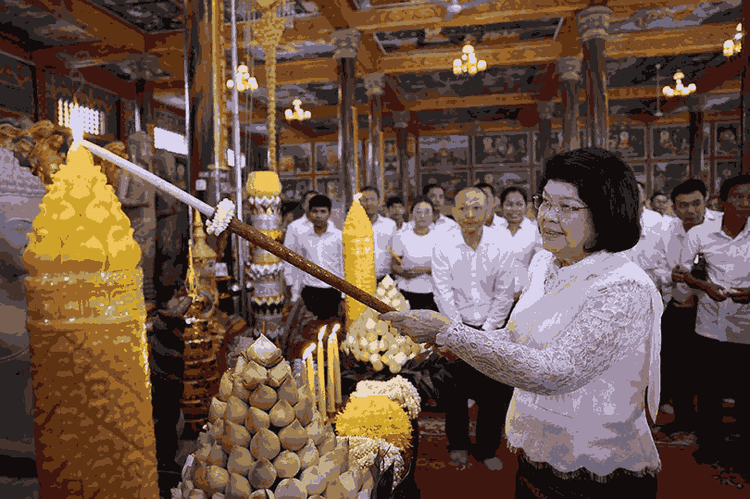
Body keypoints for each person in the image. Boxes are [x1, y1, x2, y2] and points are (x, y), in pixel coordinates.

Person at [383, 148, 663, 498]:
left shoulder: (622, 286)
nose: (547, 217)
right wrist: (457, 341)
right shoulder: (547, 265)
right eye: (545, 202)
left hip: (593, 471)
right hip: (539, 451)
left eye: (567, 207)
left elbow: (558, 370)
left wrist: (449, 333)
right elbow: (518, 336)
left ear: (606, 212)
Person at [431, 187, 523, 471]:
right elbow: (441, 291)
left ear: (487, 211)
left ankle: (487, 449)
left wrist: (486, 330)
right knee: (455, 392)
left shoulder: (502, 243)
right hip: (455, 327)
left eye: (476, 208)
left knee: (493, 393)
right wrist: (460, 331)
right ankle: (457, 444)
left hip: (493, 329)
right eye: (463, 208)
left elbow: (505, 293)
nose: (470, 215)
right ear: (454, 211)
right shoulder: (442, 244)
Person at [672, 175, 750, 474]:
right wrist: (704, 287)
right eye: (738, 197)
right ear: (722, 202)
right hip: (709, 323)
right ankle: (710, 445)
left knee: (744, 391)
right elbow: (682, 276)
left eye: (749, 198)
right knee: (709, 389)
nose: (745, 203)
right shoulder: (701, 235)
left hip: (746, 325)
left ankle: (742, 448)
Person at [655, 179, 720, 432]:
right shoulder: (666, 230)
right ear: (674, 207)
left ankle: (710, 425)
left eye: (696, 204)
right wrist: (670, 274)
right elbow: (657, 265)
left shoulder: (721, 225)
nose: (690, 211)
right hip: (679, 304)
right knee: (674, 363)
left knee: (709, 368)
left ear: (707, 201)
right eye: (682, 205)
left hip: (712, 306)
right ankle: (683, 418)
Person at [297, 194, 343, 320]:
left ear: (329, 214)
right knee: (310, 331)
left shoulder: (339, 236)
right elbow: (298, 267)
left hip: (332, 291)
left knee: (332, 330)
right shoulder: (303, 237)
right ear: (309, 213)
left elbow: (343, 266)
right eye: (315, 211)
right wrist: (296, 294)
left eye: (323, 211)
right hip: (310, 291)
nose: (318, 215)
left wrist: (344, 296)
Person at [390, 197, 439, 312]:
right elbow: (393, 265)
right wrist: (403, 272)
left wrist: (422, 270)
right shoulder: (401, 236)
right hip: (406, 292)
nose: (422, 216)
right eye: (418, 212)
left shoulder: (440, 237)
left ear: (433, 215)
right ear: (412, 214)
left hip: (433, 293)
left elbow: (445, 267)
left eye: (427, 212)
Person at [283, 189, 319, 302]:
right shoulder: (294, 227)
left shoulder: (329, 227)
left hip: (323, 285)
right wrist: (289, 283)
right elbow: (287, 256)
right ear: (304, 205)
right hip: (300, 285)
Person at [495, 187, 542, 268]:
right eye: (509, 204)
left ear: (526, 206)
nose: (514, 209)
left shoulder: (534, 231)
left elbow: (540, 261)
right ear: (501, 206)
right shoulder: (494, 230)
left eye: (519, 204)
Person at [359, 186, 397, 281]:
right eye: (365, 200)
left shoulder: (389, 224)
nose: (368, 203)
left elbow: (396, 252)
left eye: (372, 199)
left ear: (379, 202)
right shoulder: (351, 226)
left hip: (384, 279)